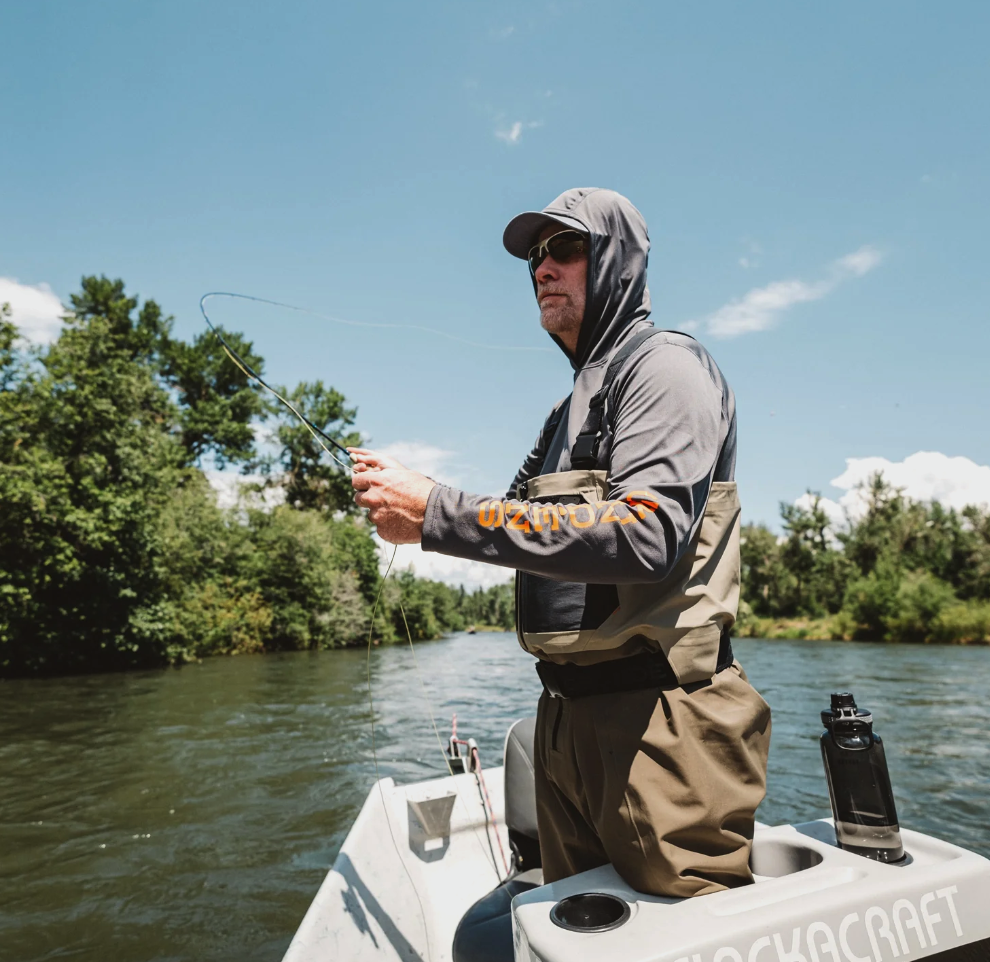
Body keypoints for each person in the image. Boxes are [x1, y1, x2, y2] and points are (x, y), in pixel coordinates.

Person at [349, 188, 771, 898]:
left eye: (565, 249)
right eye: (535, 257)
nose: (543, 269)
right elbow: (516, 527)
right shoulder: (564, 410)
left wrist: (436, 510)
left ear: (616, 262)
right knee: (574, 933)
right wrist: (415, 516)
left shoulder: (664, 368)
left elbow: (643, 536)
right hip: (564, 724)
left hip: (661, 727)